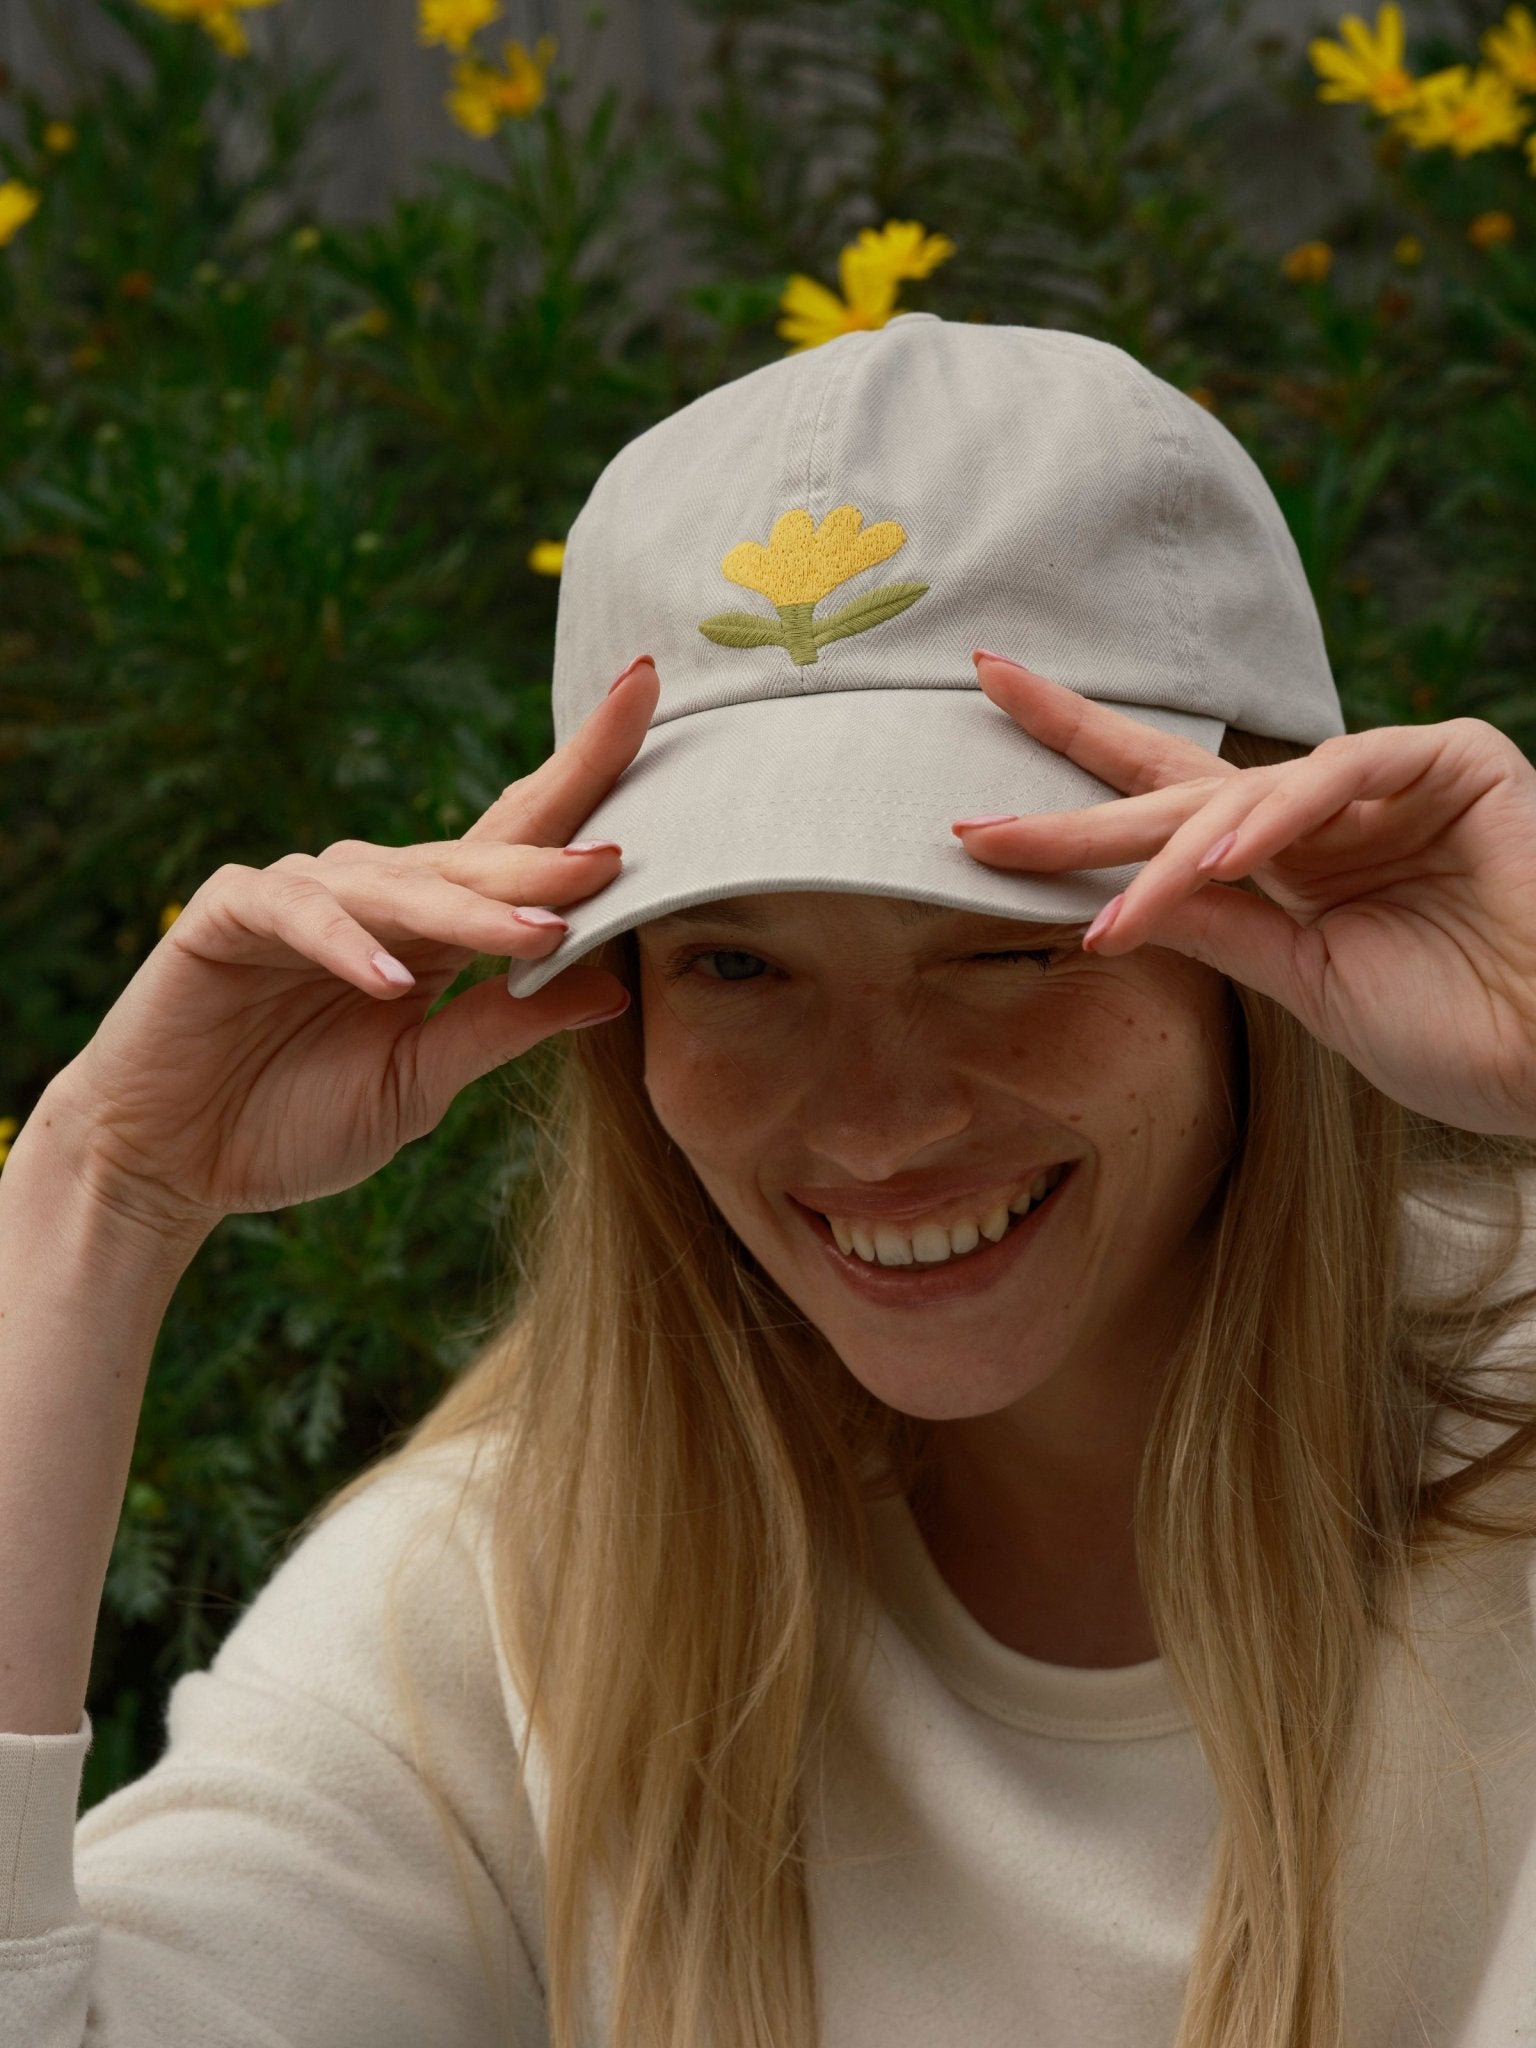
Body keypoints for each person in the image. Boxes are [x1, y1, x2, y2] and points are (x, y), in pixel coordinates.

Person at [3, 315, 1536, 2048]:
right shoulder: (519, 1597)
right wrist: (97, 1197)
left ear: (1282, 916)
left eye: (1006, 946)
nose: (877, 1122)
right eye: (733, 964)